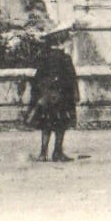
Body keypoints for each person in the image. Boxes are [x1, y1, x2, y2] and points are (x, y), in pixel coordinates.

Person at [27, 26, 79, 162]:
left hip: (46, 96)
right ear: (61, 42)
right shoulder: (65, 58)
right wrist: (74, 94)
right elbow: (71, 79)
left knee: (46, 125)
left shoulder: (44, 58)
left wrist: (39, 95)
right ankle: (57, 152)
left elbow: (37, 78)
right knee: (61, 125)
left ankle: (43, 153)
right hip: (62, 96)